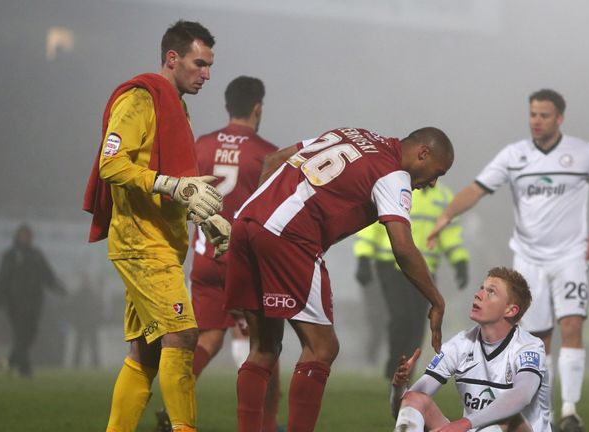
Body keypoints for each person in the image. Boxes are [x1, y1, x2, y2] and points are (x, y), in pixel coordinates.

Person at [225, 126, 454, 432]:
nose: (432, 183)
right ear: (422, 153)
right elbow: (402, 247)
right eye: (437, 172)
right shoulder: (393, 174)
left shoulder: (352, 133)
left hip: (244, 223)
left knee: (264, 347)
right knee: (323, 348)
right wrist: (436, 300)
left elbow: (273, 160)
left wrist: (262, 219)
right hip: (291, 238)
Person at [429, 89, 589, 431]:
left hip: (571, 254)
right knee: (537, 339)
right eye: (533, 114)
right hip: (528, 258)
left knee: (572, 325)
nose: (536, 121)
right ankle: (542, 414)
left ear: (559, 118)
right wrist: (446, 215)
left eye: (544, 115)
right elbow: (477, 188)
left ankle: (569, 411)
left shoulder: (583, 153)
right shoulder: (514, 155)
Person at [82, 20, 228, 432]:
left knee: (144, 354)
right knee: (183, 333)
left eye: (210, 65)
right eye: (199, 64)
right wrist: (171, 185)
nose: (207, 74)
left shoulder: (175, 105)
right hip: (140, 243)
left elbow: (176, 180)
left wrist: (207, 216)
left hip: (161, 240)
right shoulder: (138, 99)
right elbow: (112, 164)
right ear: (172, 58)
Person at [156, 76, 283, 432]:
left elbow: (179, 194)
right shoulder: (266, 153)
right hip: (245, 261)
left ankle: (173, 409)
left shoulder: (202, 145)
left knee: (208, 337)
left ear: (227, 106)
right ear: (258, 107)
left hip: (205, 257)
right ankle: (266, 425)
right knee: (265, 345)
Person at [391, 267, 551, 432]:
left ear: (510, 310)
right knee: (415, 399)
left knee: (510, 419)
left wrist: (463, 423)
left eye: (491, 292)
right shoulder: (460, 345)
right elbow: (405, 411)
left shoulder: (529, 347)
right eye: (482, 288)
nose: (478, 294)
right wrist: (398, 388)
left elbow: (521, 396)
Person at [354, 181, 470, 379]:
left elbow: (449, 234)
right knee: (400, 317)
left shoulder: (444, 197)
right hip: (390, 263)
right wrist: (364, 257)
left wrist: (459, 261)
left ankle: (406, 370)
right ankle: (394, 367)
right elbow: (373, 223)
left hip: (424, 269)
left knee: (417, 323)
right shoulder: (397, 188)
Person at [0, 224, 65, 378]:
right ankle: (25, 370)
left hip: (34, 304)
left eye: (28, 235)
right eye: (23, 235)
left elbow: (48, 275)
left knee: (31, 334)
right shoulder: (11, 255)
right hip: (15, 304)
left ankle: (11, 361)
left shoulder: (36, 255)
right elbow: (2, 278)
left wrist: (60, 288)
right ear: (17, 236)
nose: (26, 238)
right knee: (20, 334)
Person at [67, 272, 103, 369]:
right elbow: (98, 308)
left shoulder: (79, 294)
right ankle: (92, 364)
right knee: (87, 346)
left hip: (84, 324)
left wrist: (74, 321)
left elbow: (72, 309)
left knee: (83, 346)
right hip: (86, 324)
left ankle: (79, 364)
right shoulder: (92, 294)